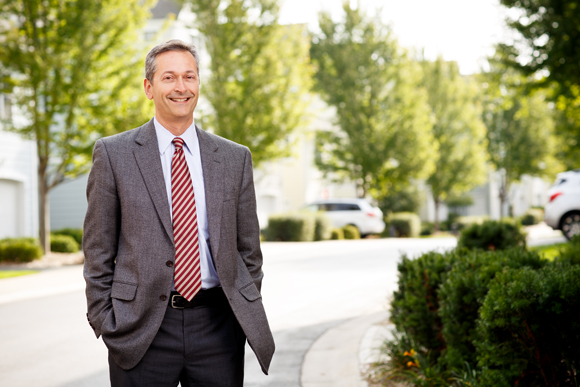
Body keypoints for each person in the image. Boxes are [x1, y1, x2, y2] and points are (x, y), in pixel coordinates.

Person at [83, 39, 274, 387]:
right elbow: (98, 249)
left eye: (190, 76)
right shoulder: (114, 154)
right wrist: (105, 320)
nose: (181, 87)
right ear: (149, 87)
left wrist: (238, 315)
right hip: (141, 329)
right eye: (169, 77)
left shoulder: (234, 158)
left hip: (218, 328)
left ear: (199, 84)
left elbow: (248, 250)